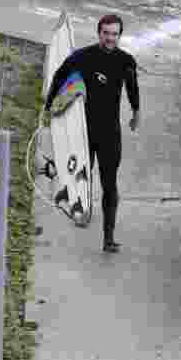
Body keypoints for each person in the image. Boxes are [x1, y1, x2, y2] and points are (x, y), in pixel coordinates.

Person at [43, 14, 140, 253]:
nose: (110, 38)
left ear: (119, 35)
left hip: (110, 133)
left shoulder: (125, 61)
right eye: (106, 33)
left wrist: (137, 112)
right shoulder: (83, 57)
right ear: (99, 33)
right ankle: (81, 209)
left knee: (109, 185)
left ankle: (108, 238)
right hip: (84, 131)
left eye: (114, 34)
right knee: (81, 176)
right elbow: (59, 75)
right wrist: (48, 107)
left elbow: (132, 88)